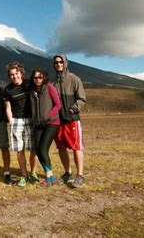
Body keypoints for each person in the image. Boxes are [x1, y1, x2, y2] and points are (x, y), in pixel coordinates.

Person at [52, 54, 87, 188]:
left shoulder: (74, 79)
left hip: (72, 120)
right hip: (58, 121)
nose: (59, 64)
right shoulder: (52, 81)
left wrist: (72, 110)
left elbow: (82, 99)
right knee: (61, 147)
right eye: (56, 62)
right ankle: (67, 173)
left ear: (66, 63)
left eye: (61, 62)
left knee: (76, 147)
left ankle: (80, 175)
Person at [3, 61, 38, 187]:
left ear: (21, 73)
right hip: (16, 121)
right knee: (19, 150)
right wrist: (10, 121)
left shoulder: (29, 84)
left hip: (31, 119)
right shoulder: (8, 89)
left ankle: (33, 174)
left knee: (34, 149)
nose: (14, 76)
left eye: (16, 73)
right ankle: (24, 175)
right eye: (11, 75)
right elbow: (8, 107)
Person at [29, 68, 61, 186]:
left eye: (40, 77)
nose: (38, 80)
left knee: (43, 148)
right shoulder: (31, 90)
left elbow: (58, 105)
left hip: (52, 123)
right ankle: (50, 176)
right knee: (38, 149)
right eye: (35, 77)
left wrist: (48, 115)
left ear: (44, 78)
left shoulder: (49, 88)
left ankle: (48, 177)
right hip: (38, 124)